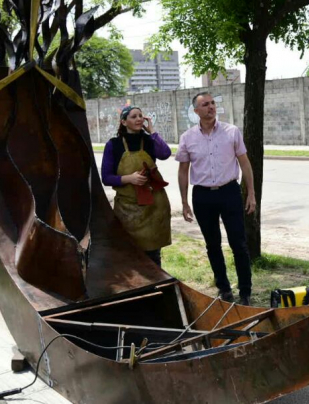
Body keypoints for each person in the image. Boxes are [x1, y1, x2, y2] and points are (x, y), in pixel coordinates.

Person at [176, 92, 256, 306]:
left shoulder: (232, 132)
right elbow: (183, 171)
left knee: (238, 243)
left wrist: (251, 194)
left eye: (212, 103)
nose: (210, 107)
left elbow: (245, 163)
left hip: (229, 192)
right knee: (213, 245)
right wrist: (184, 202)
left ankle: (245, 291)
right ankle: (224, 288)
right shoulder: (187, 138)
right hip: (202, 196)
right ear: (196, 111)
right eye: (205, 104)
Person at [101, 106, 172, 267]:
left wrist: (152, 132)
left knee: (153, 255)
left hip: (153, 207)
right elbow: (106, 178)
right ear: (124, 122)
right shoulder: (114, 145)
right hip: (127, 209)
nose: (139, 119)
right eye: (134, 117)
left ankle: (156, 285)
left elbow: (165, 154)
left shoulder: (148, 140)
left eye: (141, 116)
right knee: (129, 254)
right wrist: (129, 178)